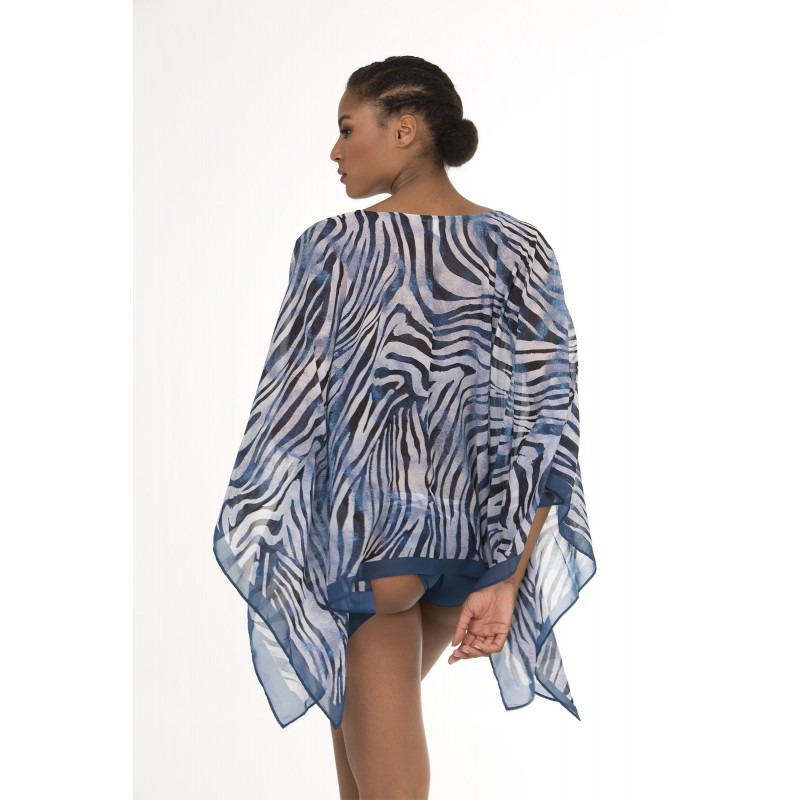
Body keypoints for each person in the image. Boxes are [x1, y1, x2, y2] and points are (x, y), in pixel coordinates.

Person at [213, 55, 596, 800]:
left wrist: (284, 542)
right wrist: (507, 575)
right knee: (361, 761)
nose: (334, 150)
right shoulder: (522, 248)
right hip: (474, 544)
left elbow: (290, 420)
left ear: (404, 128)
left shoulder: (333, 246)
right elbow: (548, 425)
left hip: (372, 545)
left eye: (346, 128)